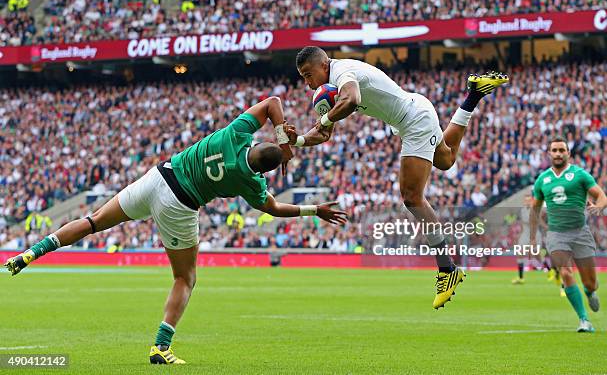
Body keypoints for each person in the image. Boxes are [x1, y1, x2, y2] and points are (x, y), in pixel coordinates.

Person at [4, 96, 347, 364]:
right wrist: (314, 209)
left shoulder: (235, 134)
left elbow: (273, 103)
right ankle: (161, 347)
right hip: (180, 204)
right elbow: (273, 208)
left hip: (158, 176)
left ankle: (33, 252)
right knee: (185, 278)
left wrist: (281, 141)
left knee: (93, 221)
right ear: (267, 172)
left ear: (254, 145)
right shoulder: (250, 183)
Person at [288, 46, 508, 309]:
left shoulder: (343, 72)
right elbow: (324, 134)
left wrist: (323, 120)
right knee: (446, 160)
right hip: (414, 110)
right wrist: (298, 141)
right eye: (302, 77)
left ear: (324, 65)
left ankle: (447, 269)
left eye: (307, 74)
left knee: (412, 198)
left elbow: (352, 100)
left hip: (413, 120)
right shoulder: (329, 89)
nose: (306, 82)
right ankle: (473, 94)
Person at [530, 136, 607, 333]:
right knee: (565, 272)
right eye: (554, 150)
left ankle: (590, 291)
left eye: (561, 150)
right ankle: (584, 320)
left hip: (580, 233)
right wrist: (533, 238)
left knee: (590, 282)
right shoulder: (542, 180)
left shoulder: (580, 175)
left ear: (568, 153)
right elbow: (534, 209)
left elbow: (602, 196)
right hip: (556, 234)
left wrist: (598, 207)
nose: (557, 153)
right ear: (549, 154)